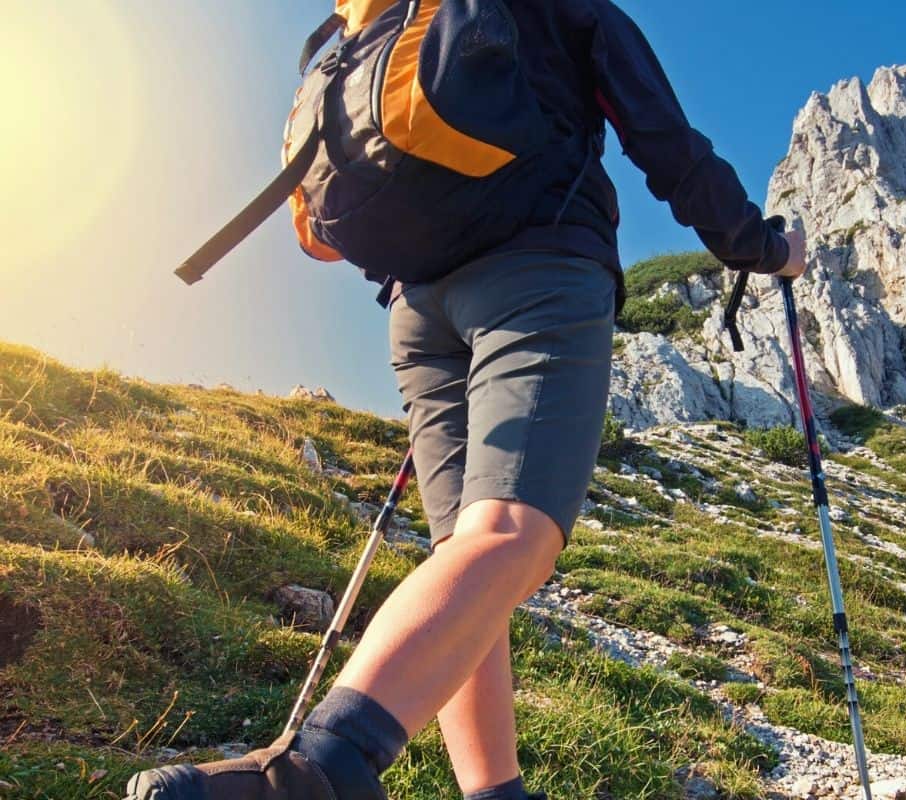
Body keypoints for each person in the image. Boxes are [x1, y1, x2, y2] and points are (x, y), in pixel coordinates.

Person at [125, 1, 806, 799]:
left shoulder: (369, 25)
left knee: (468, 560)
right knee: (512, 535)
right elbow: (667, 144)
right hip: (539, 267)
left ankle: (493, 792)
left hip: (419, 313)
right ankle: (316, 770)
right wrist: (764, 249)